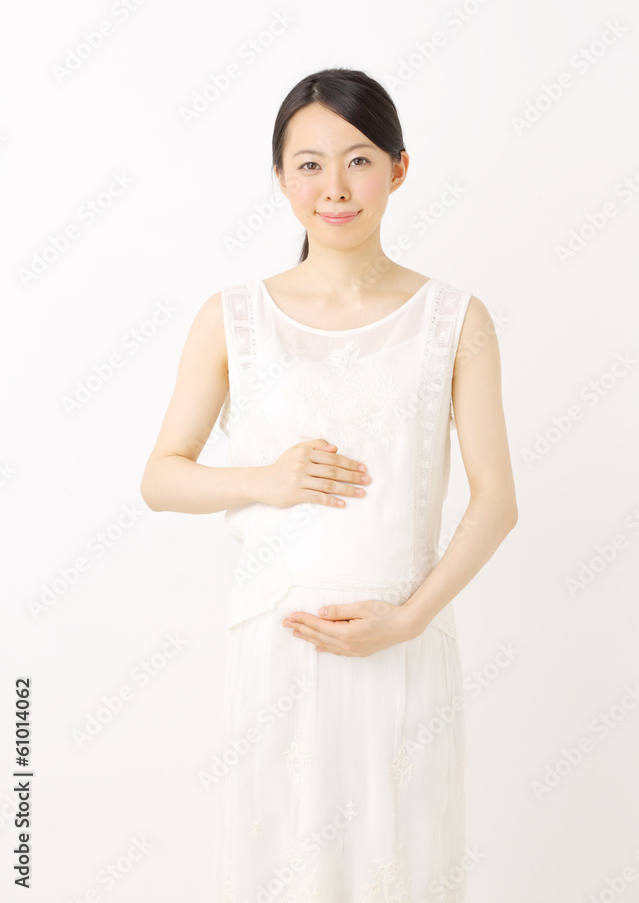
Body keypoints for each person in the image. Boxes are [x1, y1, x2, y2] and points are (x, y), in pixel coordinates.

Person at [140, 67, 518, 901]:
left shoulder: (454, 319)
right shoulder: (232, 318)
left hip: (402, 638)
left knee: (402, 864)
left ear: (398, 169)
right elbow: (161, 478)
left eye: (358, 161)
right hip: (277, 644)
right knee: (282, 870)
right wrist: (266, 479)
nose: (334, 188)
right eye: (309, 165)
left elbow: (496, 501)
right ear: (281, 177)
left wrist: (407, 620)